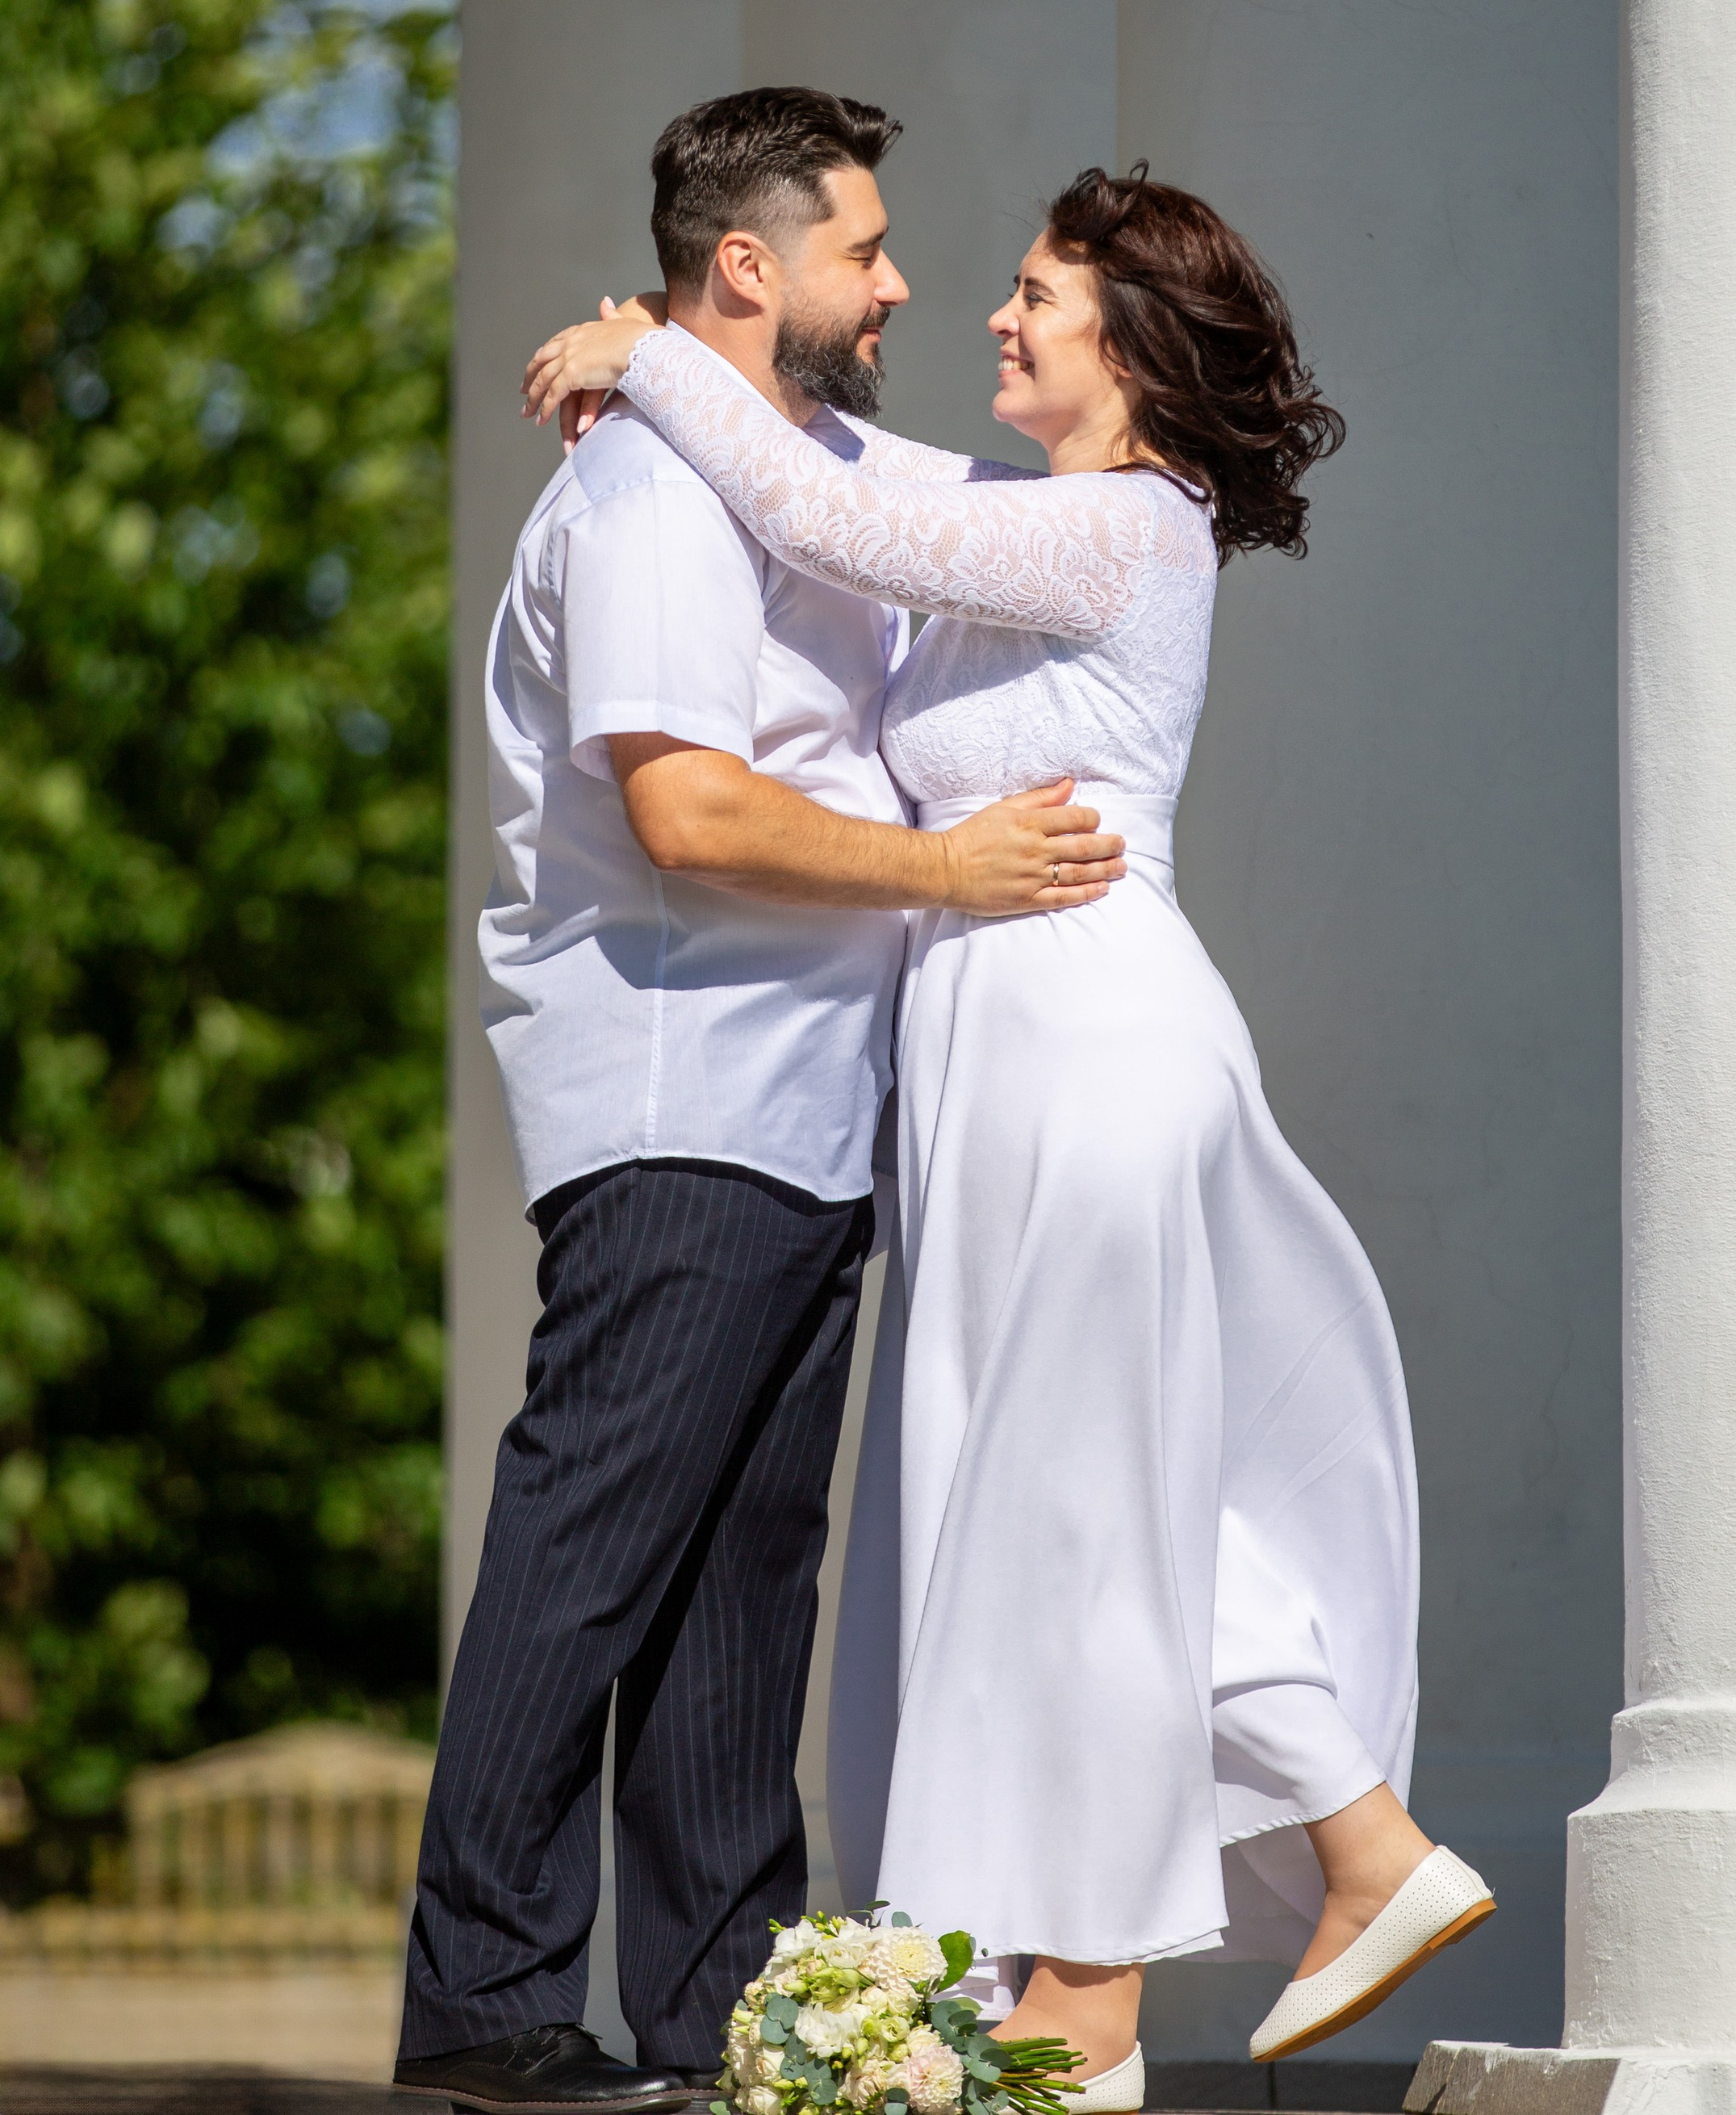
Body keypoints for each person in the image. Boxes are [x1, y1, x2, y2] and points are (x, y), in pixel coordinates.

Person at [521, 162, 1495, 2113]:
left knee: (1071, 1499)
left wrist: (647, 361)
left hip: (1083, 1029)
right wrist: (691, 373)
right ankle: (1359, 1845)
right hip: (1000, 1042)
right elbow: (844, 468)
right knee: (1058, 1486)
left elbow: (809, 507)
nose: (993, 312)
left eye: (1039, 293)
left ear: (1125, 342)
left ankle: (1092, 1996)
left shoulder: (1129, 529)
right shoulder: (1027, 522)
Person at [395, 91, 1128, 2114]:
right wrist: (947, 875)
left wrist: (637, 340)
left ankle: (733, 2022)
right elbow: (687, 808)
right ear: (751, 268)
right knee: (595, 1550)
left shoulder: (792, 454)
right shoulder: (647, 495)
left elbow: (968, 505)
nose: (899, 282)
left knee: (740, 1585)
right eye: (867, 248)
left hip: (807, 1116)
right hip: (677, 1094)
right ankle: (481, 2004)